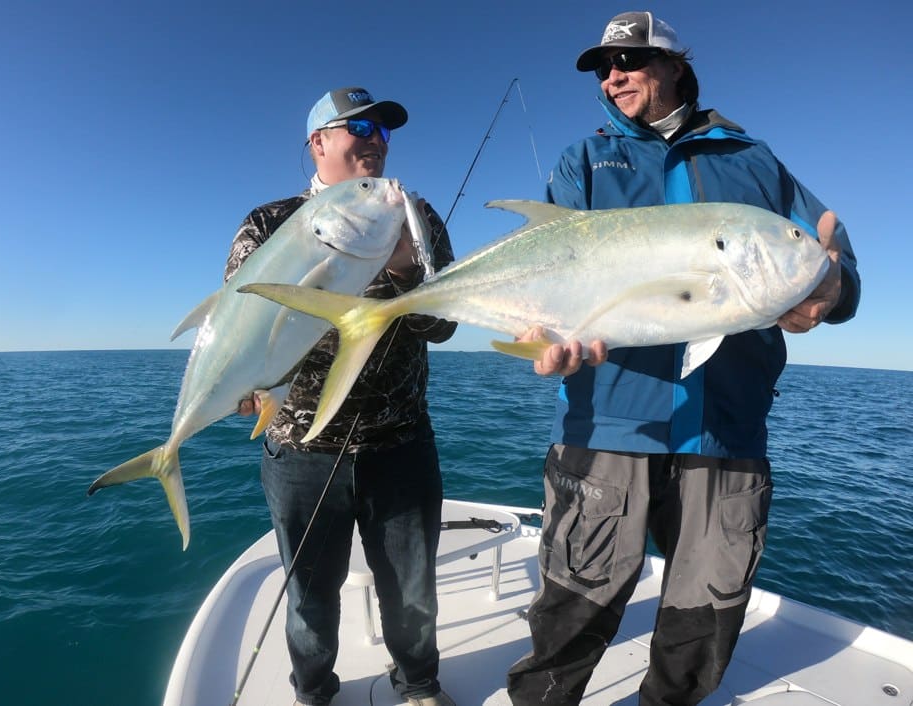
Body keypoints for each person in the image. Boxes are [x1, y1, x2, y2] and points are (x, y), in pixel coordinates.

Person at [506, 12, 860, 706]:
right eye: (604, 67)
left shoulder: (754, 161)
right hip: (607, 427)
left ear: (674, 67)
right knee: (571, 612)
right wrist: (542, 340)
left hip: (726, 430)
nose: (614, 76)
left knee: (704, 620)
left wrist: (832, 286)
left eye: (630, 60)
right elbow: (546, 281)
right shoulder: (585, 160)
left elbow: (831, 257)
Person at [226, 87, 458, 706]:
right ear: (319, 142)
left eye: (385, 130)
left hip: (401, 442)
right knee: (308, 593)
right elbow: (239, 326)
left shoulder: (417, 215)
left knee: (412, 591)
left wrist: (411, 273)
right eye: (361, 126)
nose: (377, 140)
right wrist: (243, 388)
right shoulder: (268, 224)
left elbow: (444, 325)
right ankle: (313, 691)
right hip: (301, 448)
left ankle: (418, 685)